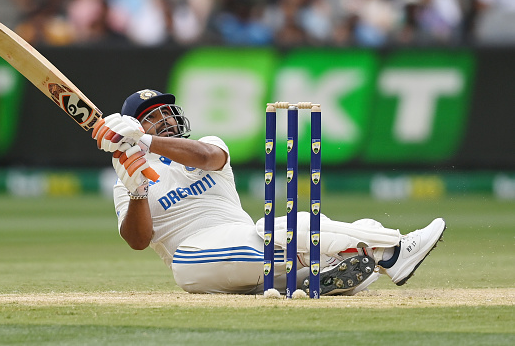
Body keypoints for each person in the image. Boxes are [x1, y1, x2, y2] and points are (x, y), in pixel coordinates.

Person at [93, 89, 446, 296]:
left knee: (291, 232)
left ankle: (336, 273)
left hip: (247, 243)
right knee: (295, 227)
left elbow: (206, 157)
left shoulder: (207, 144)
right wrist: (137, 189)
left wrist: (147, 139)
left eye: (167, 112)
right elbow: (138, 241)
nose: (167, 119)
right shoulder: (126, 179)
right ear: (134, 126)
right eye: (153, 117)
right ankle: (393, 251)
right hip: (191, 257)